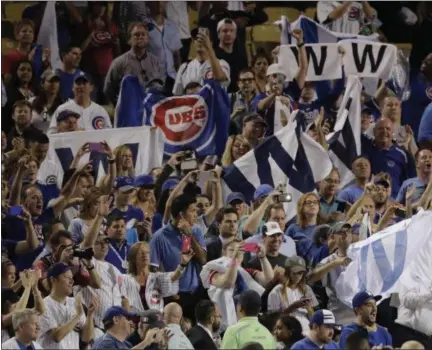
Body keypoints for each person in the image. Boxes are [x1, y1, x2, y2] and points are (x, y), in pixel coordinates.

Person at [150, 193, 207, 323]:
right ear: (181, 215)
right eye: (192, 211)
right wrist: (168, 294)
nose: (195, 215)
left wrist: (189, 236)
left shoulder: (196, 231)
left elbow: (203, 259)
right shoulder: (159, 238)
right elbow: (153, 273)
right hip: (175, 297)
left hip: (196, 294)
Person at [120, 242, 192, 313]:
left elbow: (173, 277)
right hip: (135, 319)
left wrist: (183, 264)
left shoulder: (156, 277)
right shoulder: (125, 279)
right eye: (141, 253)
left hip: (155, 320)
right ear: (133, 258)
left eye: (147, 253)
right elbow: (123, 300)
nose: (145, 255)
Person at [38, 263, 98, 349]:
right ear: (53, 280)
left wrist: (89, 315)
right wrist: (77, 316)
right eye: (67, 277)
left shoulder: (74, 302)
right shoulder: (43, 304)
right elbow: (57, 336)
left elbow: (87, 338)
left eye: (72, 278)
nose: (72, 281)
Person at [104, 22, 163, 104]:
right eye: (136, 35)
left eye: (143, 34)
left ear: (147, 38)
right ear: (129, 39)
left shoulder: (156, 62)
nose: (140, 37)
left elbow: (161, 86)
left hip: (151, 110)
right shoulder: (119, 63)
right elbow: (108, 90)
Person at [267, 256, 318, 334]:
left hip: (306, 330)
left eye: (301, 273)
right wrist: (292, 307)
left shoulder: (307, 289)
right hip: (286, 332)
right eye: (295, 273)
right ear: (287, 271)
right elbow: (273, 320)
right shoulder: (277, 291)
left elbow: (313, 317)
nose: (298, 276)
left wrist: (309, 308)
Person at [48, 72, 112, 134]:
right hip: (70, 144)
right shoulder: (62, 109)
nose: (81, 86)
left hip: (95, 145)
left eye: (84, 83)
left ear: (91, 87)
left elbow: (109, 135)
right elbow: (51, 135)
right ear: (72, 87)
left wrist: (94, 145)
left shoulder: (100, 111)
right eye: (78, 83)